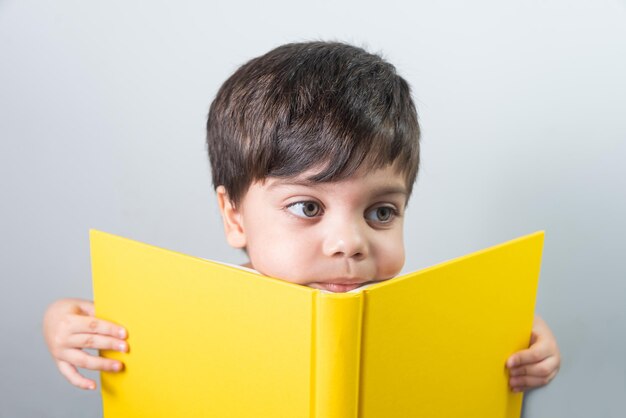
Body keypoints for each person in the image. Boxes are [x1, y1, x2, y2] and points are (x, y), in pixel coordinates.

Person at [43, 41, 560, 394]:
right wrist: (62, 325)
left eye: (381, 212)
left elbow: (482, 334)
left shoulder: (410, 313)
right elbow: (87, 314)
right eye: (307, 207)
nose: (348, 243)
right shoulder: (203, 300)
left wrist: (523, 340)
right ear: (235, 216)